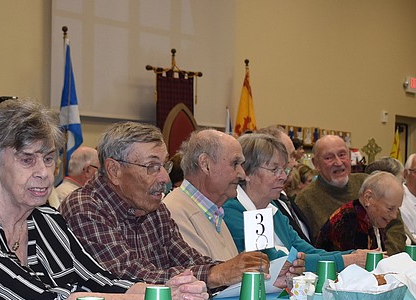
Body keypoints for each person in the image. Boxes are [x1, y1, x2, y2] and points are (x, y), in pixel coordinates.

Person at [0, 100, 208, 300]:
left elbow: (99, 280)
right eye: (27, 160)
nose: (44, 173)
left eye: (48, 159)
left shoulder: (47, 220)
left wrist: (171, 293)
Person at [61, 122, 303, 291]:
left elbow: (189, 260)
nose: (164, 179)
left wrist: (258, 274)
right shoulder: (85, 207)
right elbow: (124, 276)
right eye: (152, 167)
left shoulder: (154, 208)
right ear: (114, 170)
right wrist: (216, 274)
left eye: (164, 166)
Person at [223, 132, 365, 271]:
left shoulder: (271, 208)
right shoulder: (232, 211)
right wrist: (345, 261)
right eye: (274, 170)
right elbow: (275, 263)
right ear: (247, 172)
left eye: (284, 169)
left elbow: (306, 250)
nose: (284, 177)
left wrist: (353, 255)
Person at [294, 134, 406, 253]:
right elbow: (305, 246)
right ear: (316, 164)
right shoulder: (305, 200)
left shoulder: (367, 183)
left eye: (342, 155)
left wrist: (386, 258)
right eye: (328, 158)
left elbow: (395, 225)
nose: (338, 162)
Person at [162, 129, 245, 261]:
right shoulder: (172, 214)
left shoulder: (214, 212)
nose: (242, 174)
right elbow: (203, 276)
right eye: (235, 164)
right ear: (205, 164)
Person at [315, 172, 404, 253]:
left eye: (397, 209)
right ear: (368, 198)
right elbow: (356, 267)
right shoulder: (350, 220)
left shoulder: (372, 218)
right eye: (390, 208)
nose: (394, 216)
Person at [257, 126, 311, 242]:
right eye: (290, 156)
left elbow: (302, 247)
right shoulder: (260, 204)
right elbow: (269, 256)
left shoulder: (279, 199)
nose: (295, 163)